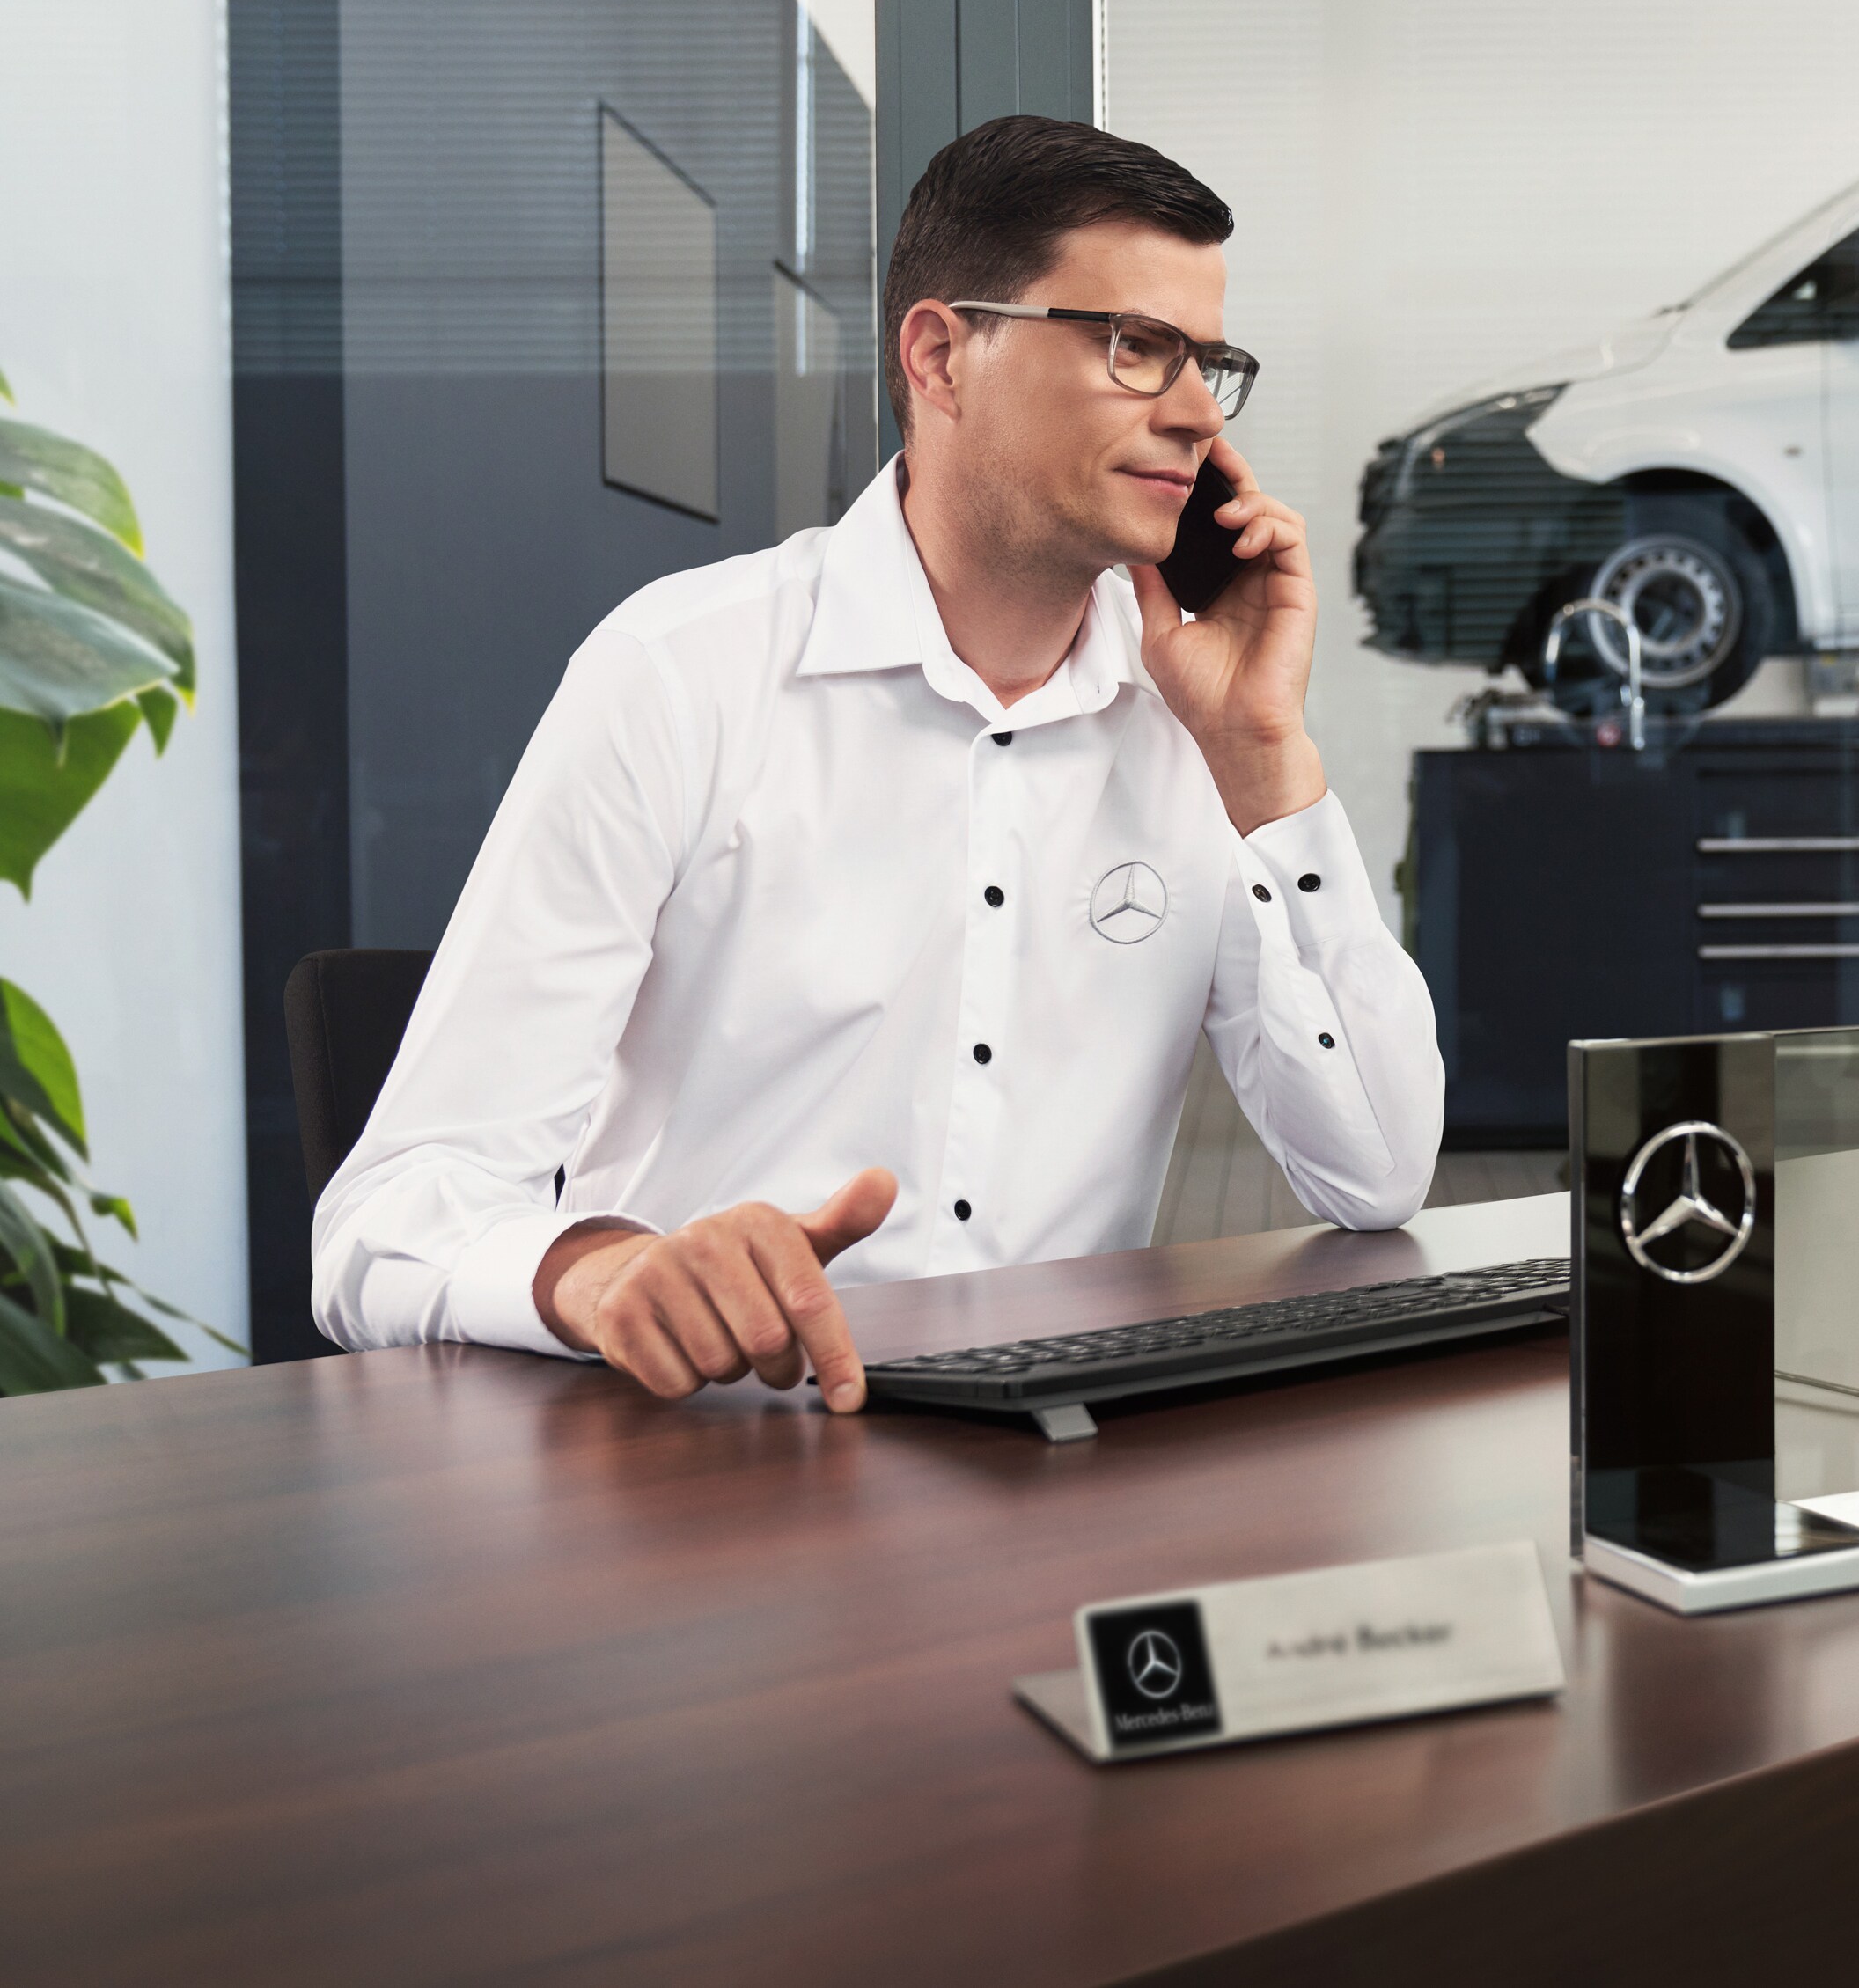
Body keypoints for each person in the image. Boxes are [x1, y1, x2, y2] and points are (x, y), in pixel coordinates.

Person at [312, 117, 1444, 1410]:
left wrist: (1260, 755)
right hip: (714, 1469)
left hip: (1057, 1478)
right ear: (942, 355)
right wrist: (600, 1274)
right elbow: (387, 1221)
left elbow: (1378, 1175)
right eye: (1135, 348)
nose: (1193, 413)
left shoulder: (1196, 717)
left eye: (1211, 363)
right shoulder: (681, 673)